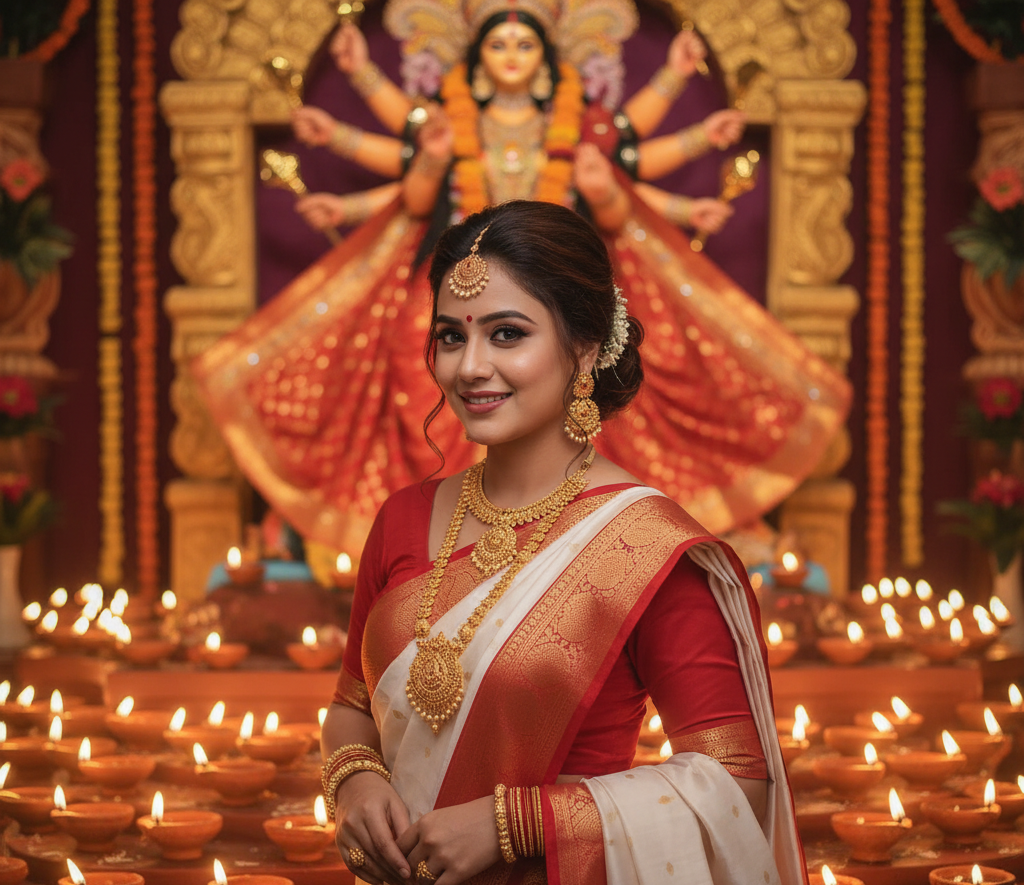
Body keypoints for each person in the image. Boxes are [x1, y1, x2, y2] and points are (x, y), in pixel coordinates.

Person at [320, 201, 837, 885]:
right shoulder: (401, 521)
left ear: (586, 348)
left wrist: (513, 824)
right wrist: (355, 783)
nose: (470, 367)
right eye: (451, 335)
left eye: (507, 333)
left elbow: (740, 790)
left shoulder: (649, 549)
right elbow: (352, 707)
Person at [194, 0, 850, 564]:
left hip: (559, 290)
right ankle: (436, 539)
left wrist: (677, 100)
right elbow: (415, 193)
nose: (512, 53)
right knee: (413, 364)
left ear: (546, 57)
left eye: (525, 42)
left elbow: (626, 186)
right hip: (463, 283)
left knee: (609, 379)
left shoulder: (587, 126)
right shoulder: (449, 125)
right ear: (479, 57)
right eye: (500, 42)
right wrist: (358, 107)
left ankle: (581, 535)